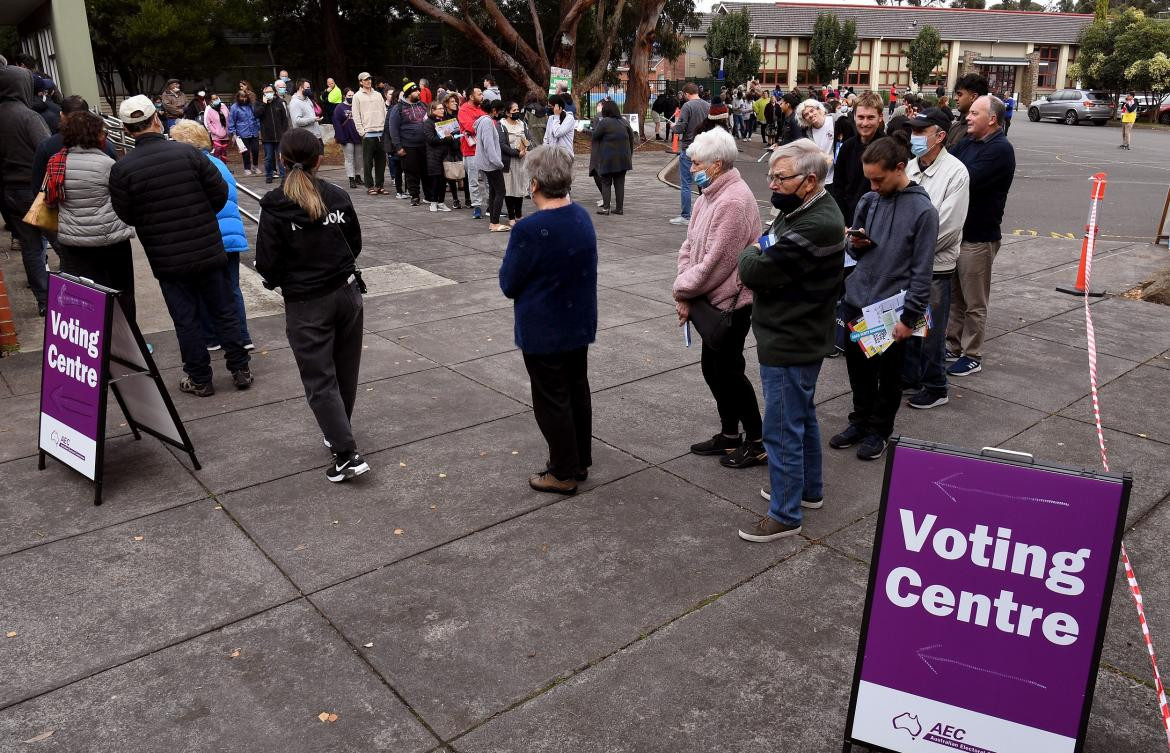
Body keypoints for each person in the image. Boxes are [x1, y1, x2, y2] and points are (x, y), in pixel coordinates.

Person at [736, 139, 845, 542]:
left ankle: (785, 513)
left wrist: (750, 252)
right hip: (796, 331)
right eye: (771, 175)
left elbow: (756, 269)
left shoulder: (815, 223)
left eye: (780, 178)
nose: (772, 184)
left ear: (810, 180)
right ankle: (807, 490)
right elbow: (769, 248)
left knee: (782, 428)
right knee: (800, 417)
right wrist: (760, 250)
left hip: (791, 337)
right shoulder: (804, 209)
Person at [108, 96, 253, 396]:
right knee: (223, 308)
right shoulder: (188, 155)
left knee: (185, 318)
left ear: (125, 128)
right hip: (207, 246)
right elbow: (219, 192)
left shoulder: (123, 169)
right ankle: (239, 367)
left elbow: (126, 214)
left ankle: (200, 377)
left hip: (166, 255)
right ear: (157, 120)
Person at [255, 128, 368, 483]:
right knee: (343, 371)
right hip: (345, 293)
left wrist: (281, 279)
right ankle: (339, 432)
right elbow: (355, 242)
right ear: (320, 160)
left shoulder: (275, 205)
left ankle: (346, 453)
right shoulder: (335, 195)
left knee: (320, 378)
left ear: (281, 160)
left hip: (307, 303)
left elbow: (267, 261)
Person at [831, 135, 937, 461]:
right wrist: (855, 244)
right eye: (869, 179)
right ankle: (859, 421)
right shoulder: (869, 201)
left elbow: (922, 272)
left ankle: (880, 430)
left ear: (900, 168)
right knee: (858, 370)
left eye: (879, 178)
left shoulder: (923, 212)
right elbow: (851, 248)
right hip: (858, 300)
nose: (873, 186)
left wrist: (909, 318)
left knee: (888, 376)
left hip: (891, 308)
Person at [499, 145, 597, 495]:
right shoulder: (581, 217)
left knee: (552, 399)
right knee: (576, 390)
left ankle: (562, 471)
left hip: (544, 328)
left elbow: (509, 283)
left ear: (534, 183)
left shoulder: (530, 230)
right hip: (577, 322)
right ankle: (579, 460)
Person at [671, 129, 765, 470]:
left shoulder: (733, 201)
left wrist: (683, 291)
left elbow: (716, 263)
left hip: (730, 305)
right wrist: (685, 285)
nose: (691, 166)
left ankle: (757, 441)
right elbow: (689, 247)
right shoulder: (708, 194)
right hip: (708, 299)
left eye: (696, 162)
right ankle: (729, 435)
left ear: (717, 164)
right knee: (714, 370)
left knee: (729, 373)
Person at [902, 108, 970, 411]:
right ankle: (912, 377)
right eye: (913, 131)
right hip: (908, 263)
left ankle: (936, 385)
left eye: (921, 131)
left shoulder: (955, 173)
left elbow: (947, 227)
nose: (914, 136)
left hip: (935, 266)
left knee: (930, 330)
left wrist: (904, 249)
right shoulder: (909, 168)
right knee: (910, 326)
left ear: (940, 136)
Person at [168, 119, 253, 352]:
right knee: (232, 289)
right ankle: (243, 335)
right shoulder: (219, 163)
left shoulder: (190, 167)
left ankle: (212, 337)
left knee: (204, 289)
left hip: (209, 238)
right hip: (231, 236)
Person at [947, 94, 1015, 378]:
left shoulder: (1000, 149)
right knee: (955, 296)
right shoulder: (968, 143)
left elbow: (962, 179)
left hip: (979, 236)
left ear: (993, 119)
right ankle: (951, 346)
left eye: (975, 113)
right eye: (969, 113)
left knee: (975, 300)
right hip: (958, 233)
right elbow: (945, 168)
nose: (968, 117)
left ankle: (971, 353)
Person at [48, 111, 138, 321]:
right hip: (110, 240)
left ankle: (93, 342)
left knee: (86, 296)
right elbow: (123, 200)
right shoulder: (107, 164)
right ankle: (127, 343)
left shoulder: (56, 162)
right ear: (96, 135)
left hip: (74, 241)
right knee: (122, 292)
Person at [0, 63, 52, 316]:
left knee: (30, 247)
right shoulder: (28, 116)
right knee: (61, 244)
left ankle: (44, 300)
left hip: (9, 191)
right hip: (36, 190)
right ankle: (75, 297)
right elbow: (48, 150)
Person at [829, 91, 886, 229]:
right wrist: (842, 221)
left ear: (880, 118)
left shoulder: (889, 148)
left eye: (870, 117)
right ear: (854, 117)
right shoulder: (847, 147)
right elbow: (838, 187)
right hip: (849, 222)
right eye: (861, 117)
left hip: (878, 222)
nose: (865, 123)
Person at [669, 82, 710, 226]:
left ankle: (686, 215)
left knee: (686, 183)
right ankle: (708, 212)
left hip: (689, 148)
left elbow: (681, 127)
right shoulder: (707, 105)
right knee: (704, 182)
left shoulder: (687, 106)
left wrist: (674, 127)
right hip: (705, 148)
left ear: (686, 94)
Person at [590, 100, 635, 216]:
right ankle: (619, 209)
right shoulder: (624, 122)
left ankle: (606, 208)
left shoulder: (605, 122)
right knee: (620, 184)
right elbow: (632, 139)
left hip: (608, 158)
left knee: (606, 182)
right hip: (623, 158)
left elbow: (595, 136)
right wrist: (630, 155)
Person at [475, 98, 514, 232]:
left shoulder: (484, 121)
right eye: (500, 111)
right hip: (491, 163)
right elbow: (489, 146)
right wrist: (498, 163)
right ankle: (494, 222)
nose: (501, 113)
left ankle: (493, 220)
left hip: (487, 163)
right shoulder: (487, 122)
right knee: (500, 191)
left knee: (493, 191)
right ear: (494, 110)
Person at [387, 81, 429, 206]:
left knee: (426, 171)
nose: (418, 93)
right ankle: (415, 196)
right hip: (408, 146)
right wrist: (398, 146)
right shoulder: (398, 108)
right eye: (415, 91)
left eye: (418, 91)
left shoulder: (423, 105)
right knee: (411, 172)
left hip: (425, 145)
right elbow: (393, 129)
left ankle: (429, 195)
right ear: (409, 93)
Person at [352, 72, 387, 195]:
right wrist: (362, 132)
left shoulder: (378, 94)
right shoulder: (357, 96)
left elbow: (384, 111)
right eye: (365, 80)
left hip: (381, 132)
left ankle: (380, 185)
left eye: (370, 79)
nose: (368, 81)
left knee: (381, 162)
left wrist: (385, 129)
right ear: (361, 82)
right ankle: (370, 186)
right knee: (367, 162)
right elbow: (356, 116)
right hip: (368, 133)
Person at [459, 87, 489, 218]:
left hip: (485, 150)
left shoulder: (482, 109)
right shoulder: (463, 110)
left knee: (489, 181)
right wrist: (482, 126)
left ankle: (491, 205)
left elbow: (492, 124)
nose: (482, 96)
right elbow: (470, 127)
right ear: (471, 97)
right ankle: (477, 206)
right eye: (479, 94)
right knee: (473, 181)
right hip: (471, 151)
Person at [501, 100, 532, 224]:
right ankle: (511, 217)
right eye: (514, 110)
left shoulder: (522, 123)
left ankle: (519, 215)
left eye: (518, 109)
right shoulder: (502, 125)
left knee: (520, 188)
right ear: (507, 113)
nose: (517, 112)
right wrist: (516, 153)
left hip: (522, 160)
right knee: (509, 189)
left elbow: (529, 138)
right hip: (509, 161)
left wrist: (526, 148)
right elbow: (502, 144)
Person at [423, 100, 456, 212]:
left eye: (443, 108)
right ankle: (433, 202)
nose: (443, 110)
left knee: (443, 180)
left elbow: (450, 137)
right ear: (433, 110)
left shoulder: (444, 121)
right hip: (433, 155)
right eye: (440, 108)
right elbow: (431, 139)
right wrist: (445, 138)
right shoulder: (428, 123)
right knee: (435, 179)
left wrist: (451, 137)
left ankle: (441, 202)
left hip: (445, 155)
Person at [255, 84, 290, 184]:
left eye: (270, 91)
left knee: (281, 157)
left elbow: (284, 119)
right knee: (268, 157)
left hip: (280, 136)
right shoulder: (259, 103)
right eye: (266, 92)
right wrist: (264, 104)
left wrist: (284, 132)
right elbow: (257, 114)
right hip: (267, 137)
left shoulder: (279, 102)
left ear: (274, 92)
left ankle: (284, 176)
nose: (268, 94)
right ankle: (269, 175)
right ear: (263, 93)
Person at [798, 98, 835, 184]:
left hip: (838, 176)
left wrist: (833, 158)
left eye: (812, 111)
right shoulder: (807, 133)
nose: (810, 115)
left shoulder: (835, 121)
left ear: (819, 109)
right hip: (820, 179)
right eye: (806, 114)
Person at [947, 73, 989, 148]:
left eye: (960, 94)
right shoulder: (955, 126)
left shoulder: (982, 131)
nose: (955, 98)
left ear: (973, 97)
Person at [333, 88, 362, 188]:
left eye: (353, 95)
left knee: (359, 158)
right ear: (345, 96)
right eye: (349, 96)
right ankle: (351, 178)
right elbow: (336, 123)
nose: (351, 97)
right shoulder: (339, 108)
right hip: (346, 136)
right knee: (349, 158)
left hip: (358, 136)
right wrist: (341, 137)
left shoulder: (357, 106)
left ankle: (358, 176)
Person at [230, 89, 262, 175]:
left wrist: (258, 128)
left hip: (254, 131)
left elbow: (256, 117)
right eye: (242, 97)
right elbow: (232, 120)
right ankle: (247, 168)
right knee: (245, 152)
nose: (244, 99)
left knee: (255, 150)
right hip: (242, 132)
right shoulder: (234, 107)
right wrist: (233, 133)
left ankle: (255, 166)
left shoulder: (251, 105)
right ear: (238, 97)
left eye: (245, 97)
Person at [443, 93, 466, 208]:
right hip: (449, 147)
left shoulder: (459, 115)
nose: (455, 103)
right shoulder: (444, 116)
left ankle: (468, 198)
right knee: (451, 173)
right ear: (446, 104)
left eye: (456, 101)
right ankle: (455, 199)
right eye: (452, 101)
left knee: (464, 172)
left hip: (461, 145)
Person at [203, 92, 232, 159]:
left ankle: (223, 167)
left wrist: (228, 130)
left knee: (224, 151)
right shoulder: (209, 109)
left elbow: (229, 117)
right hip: (216, 135)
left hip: (225, 133)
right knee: (218, 149)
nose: (216, 100)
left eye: (217, 98)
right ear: (210, 100)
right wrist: (214, 131)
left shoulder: (223, 107)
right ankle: (217, 165)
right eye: (213, 99)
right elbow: (208, 122)